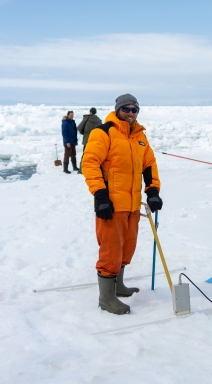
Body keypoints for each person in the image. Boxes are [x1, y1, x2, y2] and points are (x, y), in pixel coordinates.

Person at [81, 94, 163, 315]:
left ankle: (118, 286)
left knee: (127, 246)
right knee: (111, 250)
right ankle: (106, 298)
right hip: (111, 205)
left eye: (134, 109)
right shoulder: (104, 132)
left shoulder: (140, 137)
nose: (130, 113)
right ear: (117, 109)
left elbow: (149, 166)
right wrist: (100, 196)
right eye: (126, 109)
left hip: (133, 204)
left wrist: (153, 191)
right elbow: (89, 164)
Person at [77, 107, 103, 174]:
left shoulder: (86, 118)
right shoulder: (99, 120)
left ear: (90, 112)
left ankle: (82, 170)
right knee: (96, 156)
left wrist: (85, 133)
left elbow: (79, 128)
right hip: (96, 140)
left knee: (85, 155)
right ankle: (94, 170)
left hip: (87, 140)